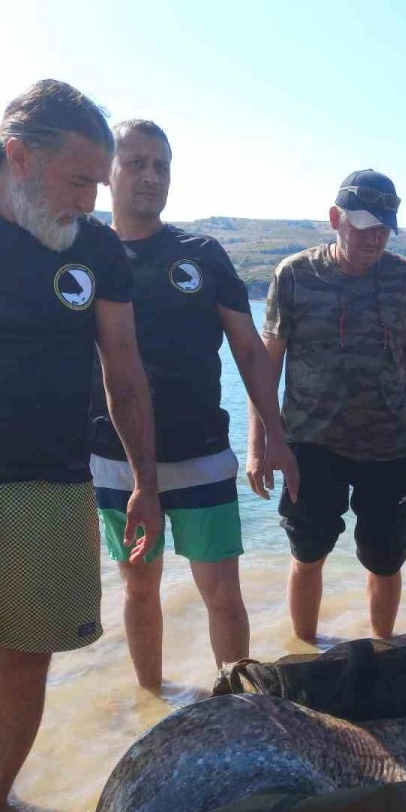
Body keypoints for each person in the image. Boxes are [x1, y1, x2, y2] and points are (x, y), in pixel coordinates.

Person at [0, 79, 161, 812]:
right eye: (81, 180)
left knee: (26, 671)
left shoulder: (97, 248)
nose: (92, 199)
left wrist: (146, 483)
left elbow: (124, 370)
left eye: (98, 182)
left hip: (52, 488)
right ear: (18, 156)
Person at [89, 119, 298, 689]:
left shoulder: (201, 253)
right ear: (108, 172)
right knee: (138, 586)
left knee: (223, 594)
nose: (151, 176)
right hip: (116, 461)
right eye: (135, 163)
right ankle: (152, 704)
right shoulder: (83, 250)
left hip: (201, 454)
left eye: (161, 164)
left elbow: (251, 353)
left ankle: (237, 707)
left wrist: (276, 438)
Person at [248, 169, 406, 642]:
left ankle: (382, 652)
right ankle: (305, 654)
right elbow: (266, 367)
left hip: (389, 448)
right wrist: (261, 444)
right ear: (335, 218)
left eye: (383, 229)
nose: (374, 239)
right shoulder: (294, 274)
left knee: (385, 561)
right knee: (307, 555)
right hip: (310, 445)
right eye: (364, 226)